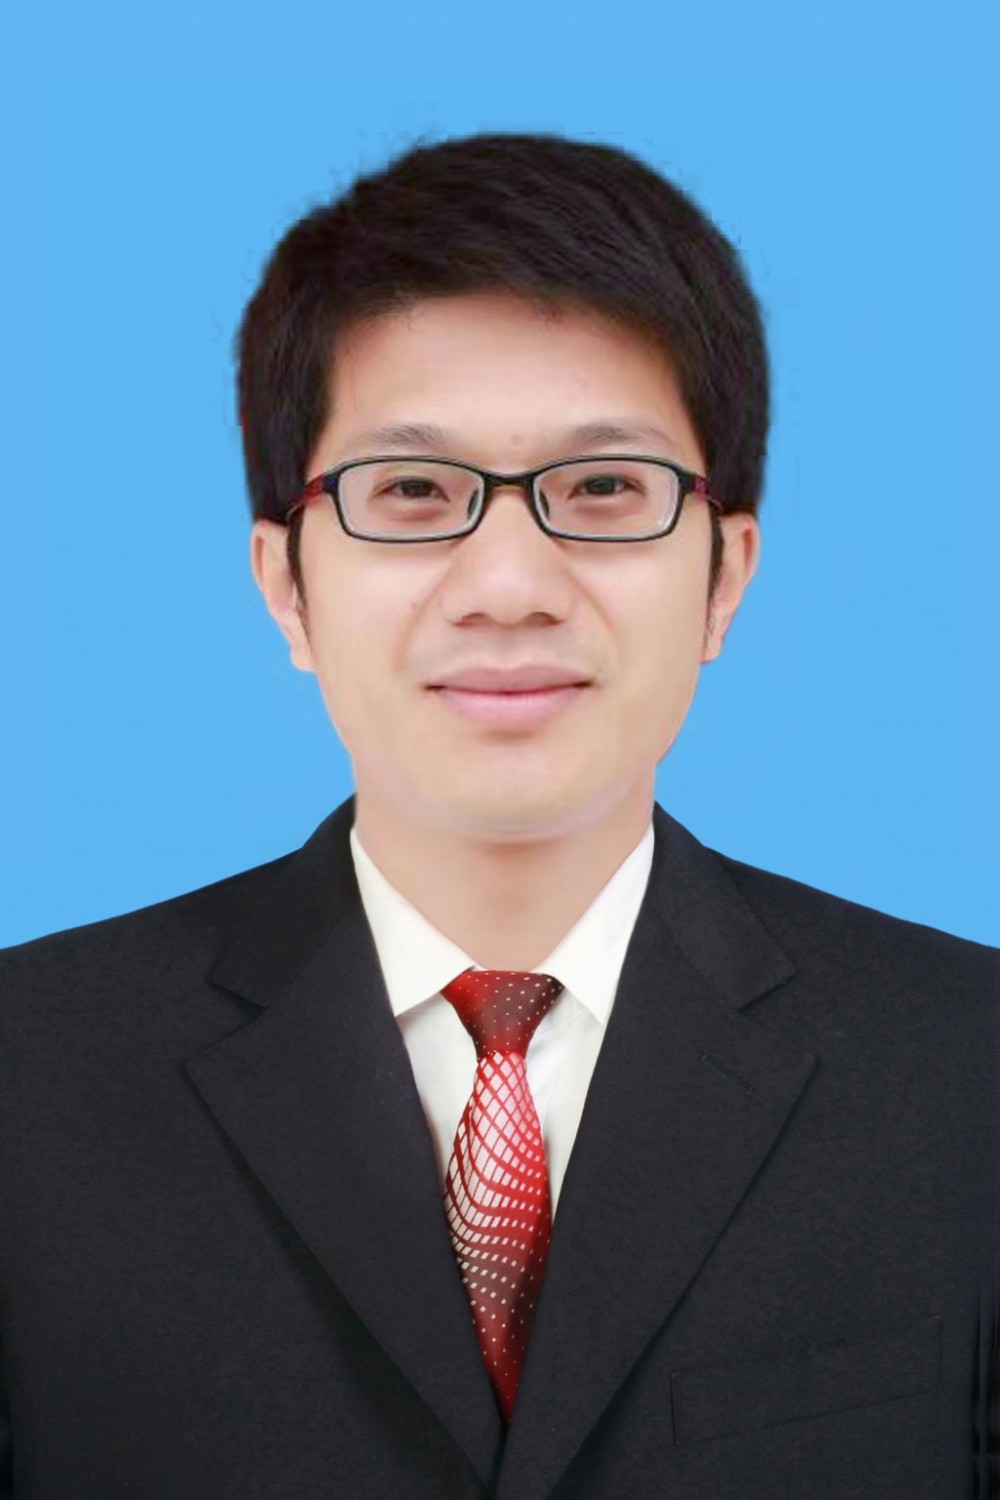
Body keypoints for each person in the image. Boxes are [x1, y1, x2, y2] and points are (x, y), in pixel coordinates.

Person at [0, 130, 995, 1500]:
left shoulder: (968, 1072)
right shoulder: (25, 1080)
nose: (511, 587)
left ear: (725, 577)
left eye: (605, 490)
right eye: (413, 492)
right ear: (286, 586)